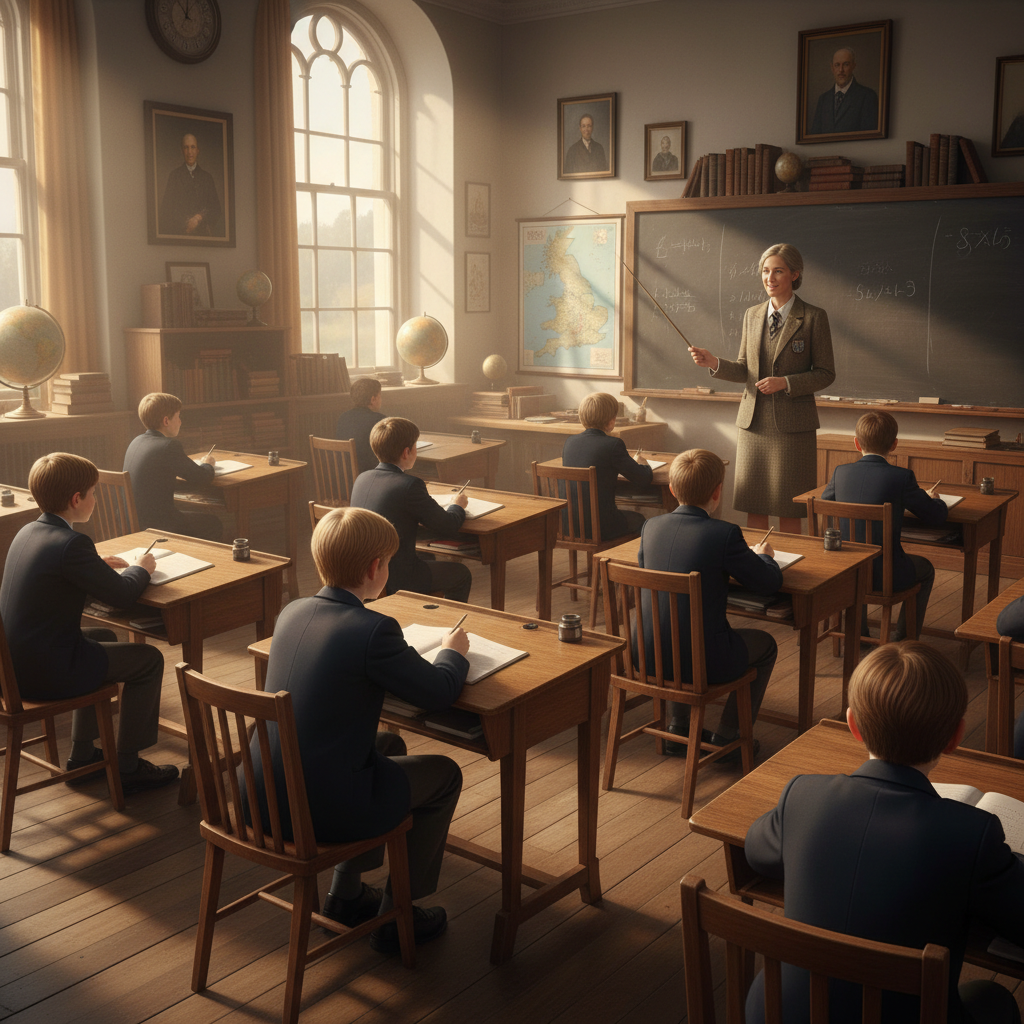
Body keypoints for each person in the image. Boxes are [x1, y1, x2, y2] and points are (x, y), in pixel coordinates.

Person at [745, 642, 1024, 1024]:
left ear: (853, 724)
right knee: (994, 998)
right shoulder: (970, 833)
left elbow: (756, 852)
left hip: (784, 1012)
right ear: (955, 736)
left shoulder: (802, 795)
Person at [246, 507, 468, 953]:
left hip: (260, 797)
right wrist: (452, 652)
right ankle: (396, 915)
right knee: (445, 775)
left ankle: (344, 896)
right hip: (317, 811)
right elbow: (439, 692)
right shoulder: (374, 629)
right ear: (375, 568)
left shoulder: (292, 611)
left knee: (386, 742)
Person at [0, 453, 178, 793]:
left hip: (10, 667)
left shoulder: (28, 530)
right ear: (76, 499)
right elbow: (123, 596)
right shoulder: (72, 544)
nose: (95, 499)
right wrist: (141, 567)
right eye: (93, 492)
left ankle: (82, 756)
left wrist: (92, 564)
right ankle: (127, 764)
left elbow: (54, 574)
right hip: (43, 674)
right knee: (149, 661)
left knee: (103, 634)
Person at [638, 449, 780, 758]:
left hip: (646, 656)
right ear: (718, 491)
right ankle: (729, 739)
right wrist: (766, 557)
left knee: (676, 624)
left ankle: (677, 728)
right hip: (703, 663)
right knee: (766, 644)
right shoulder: (724, 534)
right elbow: (768, 584)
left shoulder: (650, 528)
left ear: (673, 490)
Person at [688, 243, 835, 534]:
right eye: (765, 271)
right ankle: (757, 563)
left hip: (793, 427)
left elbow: (826, 373)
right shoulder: (752, 315)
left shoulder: (814, 317)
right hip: (753, 423)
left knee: (789, 506)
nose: (770, 278)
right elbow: (745, 369)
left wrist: (786, 383)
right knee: (754, 503)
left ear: (795, 274)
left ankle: (792, 570)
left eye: (778, 271)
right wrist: (714, 361)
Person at [822, 410, 947, 641]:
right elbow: (934, 517)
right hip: (886, 575)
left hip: (844, 573)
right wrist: (935, 499)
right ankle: (903, 641)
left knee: (857, 558)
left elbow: (825, 504)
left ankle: (857, 636)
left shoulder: (841, 473)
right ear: (894, 444)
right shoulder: (901, 477)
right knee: (926, 568)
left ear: (856, 443)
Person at [350, 416, 472, 602]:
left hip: (364, 572)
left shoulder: (362, 479)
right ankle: (445, 627)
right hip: (396, 577)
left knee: (424, 554)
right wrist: (458, 505)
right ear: (407, 452)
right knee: (461, 574)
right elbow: (447, 525)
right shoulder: (409, 485)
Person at [123, 393, 223, 542]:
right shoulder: (168, 446)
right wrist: (207, 464)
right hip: (157, 525)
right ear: (166, 421)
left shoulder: (136, 441)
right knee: (213, 523)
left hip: (129, 521)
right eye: (178, 416)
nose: (180, 422)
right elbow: (202, 477)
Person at [561, 391, 653, 542]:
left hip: (569, 524)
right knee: (640, 519)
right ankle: (621, 563)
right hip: (602, 526)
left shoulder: (570, 442)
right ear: (611, 421)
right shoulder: (613, 445)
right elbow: (643, 478)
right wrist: (642, 463)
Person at [158, 133, 224, 237]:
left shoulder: (207, 178)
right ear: (182, 151)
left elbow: (216, 209)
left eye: (193, 147)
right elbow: (166, 211)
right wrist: (186, 225)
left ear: (198, 150)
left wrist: (198, 218)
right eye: (186, 147)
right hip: (180, 235)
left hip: (203, 237)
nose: (189, 152)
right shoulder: (174, 176)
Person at [809, 47, 879, 135]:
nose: (841, 70)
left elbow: (870, 137)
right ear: (832, 68)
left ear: (853, 66)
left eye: (846, 64)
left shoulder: (867, 96)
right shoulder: (823, 99)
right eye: (837, 65)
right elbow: (815, 136)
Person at [336, 377, 385, 475]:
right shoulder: (380, 421)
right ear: (373, 399)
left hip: (344, 479)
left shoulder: (343, 418)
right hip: (371, 479)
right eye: (380, 396)